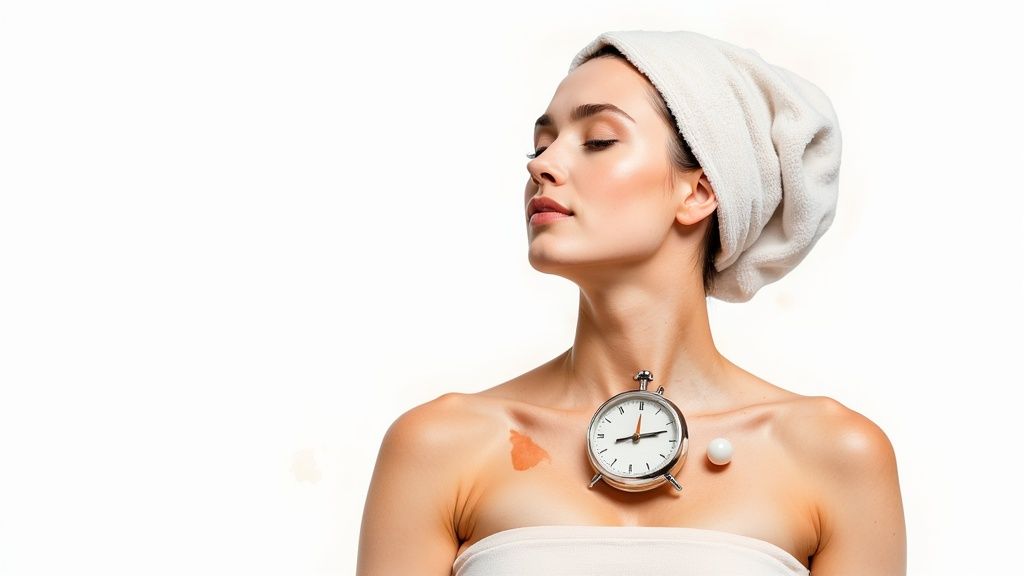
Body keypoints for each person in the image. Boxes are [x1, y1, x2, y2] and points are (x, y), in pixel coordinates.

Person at [356, 30, 906, 576]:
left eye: (597, 140)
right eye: (540, 143)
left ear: (699, 192)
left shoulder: (835, 455)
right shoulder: (441, 444)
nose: (541, 165)